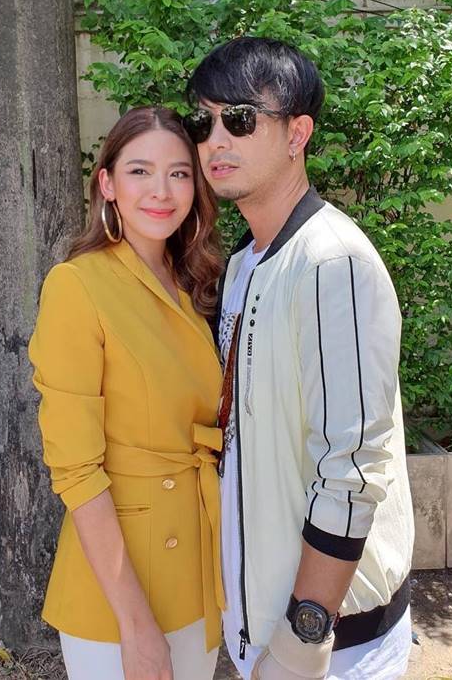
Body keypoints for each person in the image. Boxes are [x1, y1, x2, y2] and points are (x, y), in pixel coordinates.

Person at [184, 37, 415, 680]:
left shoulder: (331, 261)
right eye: (203, 124)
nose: (215, 142)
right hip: (259, 625)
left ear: (297, 133)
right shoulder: (244, 265)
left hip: (333, 646)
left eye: (239, 119)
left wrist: (301, 638)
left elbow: (352, 468)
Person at [29, 107, 225, 680]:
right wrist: (135, 625)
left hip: (197, 560)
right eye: (140, 171)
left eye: (179, 173)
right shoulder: (77, 285)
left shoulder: (194, 282)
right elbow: (76, 471)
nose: (162, 191)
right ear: (108, 184)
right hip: (119, 588)